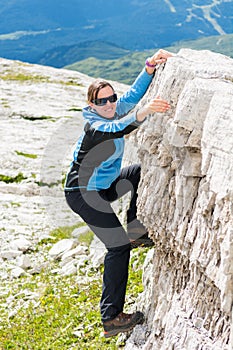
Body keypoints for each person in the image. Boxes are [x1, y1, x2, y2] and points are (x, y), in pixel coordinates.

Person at [64, 49, 172, 338]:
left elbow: (133, 96)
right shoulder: (95, 126)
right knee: (117, 248)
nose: (111, 103)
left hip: (105, 185)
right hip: (83, 193)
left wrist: (149, 67)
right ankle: (111, 317)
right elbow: (116, 128)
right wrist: (143, 113)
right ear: (92, 104)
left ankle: (136, 230)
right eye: (103, 101)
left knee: (136, 172)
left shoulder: (112, 109)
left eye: (112, 98)